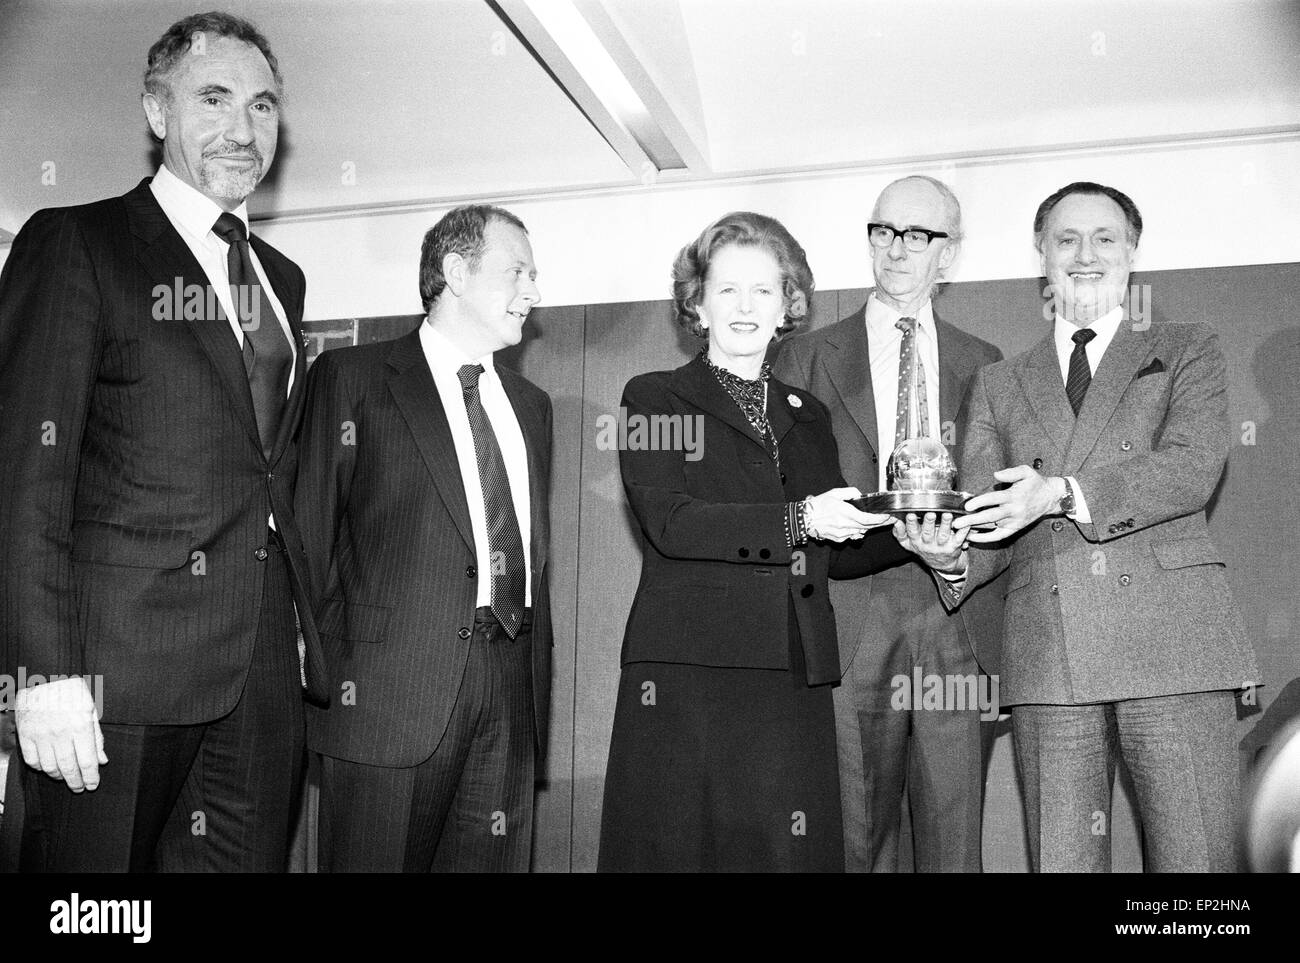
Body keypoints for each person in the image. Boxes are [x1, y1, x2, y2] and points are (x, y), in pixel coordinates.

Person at [0, 11, 325, 871]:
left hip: (256, 677)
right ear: (156, 112)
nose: (242, 128)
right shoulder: (78, 243)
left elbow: (267, 473)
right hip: (114, 672)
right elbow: (23, 477)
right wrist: (42, 674)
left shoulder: (280, 280)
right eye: (213, 98)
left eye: (261, 106)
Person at [919, 181, 1261, 871]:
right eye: (1066, 238)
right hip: (1050, 658)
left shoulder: (1186, 346)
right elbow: (991, 518)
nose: (1084, 253)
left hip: (1176, 649)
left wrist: (1061, 493)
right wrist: (948, 554)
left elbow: (1192, 468)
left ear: (1132, 250)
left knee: (1199, 871)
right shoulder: (998, 381)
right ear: (1041, 254)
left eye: (1104, 237)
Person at [598, 211, 901, 872]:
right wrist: (799, 520)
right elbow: (671, 521)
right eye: (726, 288)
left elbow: (837, 540)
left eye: (763, 290)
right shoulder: (654, 397)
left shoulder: (807, 413)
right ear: (696, 303)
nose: (745, 305)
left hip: (791, 673)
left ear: (787, 304)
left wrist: (914, 531)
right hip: (688, 675)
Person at [295, 204, 552, 872]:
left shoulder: (531, 406)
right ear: (456, 272)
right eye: (516, 271)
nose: (534, 292)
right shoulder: (351, 379)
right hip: (385, 698)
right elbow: (307, 544)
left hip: (509, 692)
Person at [774, 176, 1004, 871]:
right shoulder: (803, 356)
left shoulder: (988, 363)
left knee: (953, 844)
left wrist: (956, 560)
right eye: (883, 231)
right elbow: (784, 496)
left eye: (917, 235)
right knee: (853, 843)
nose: (896, 249)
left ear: (949, 254)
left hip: (951, 615)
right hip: (851, 618)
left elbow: (995, 501)